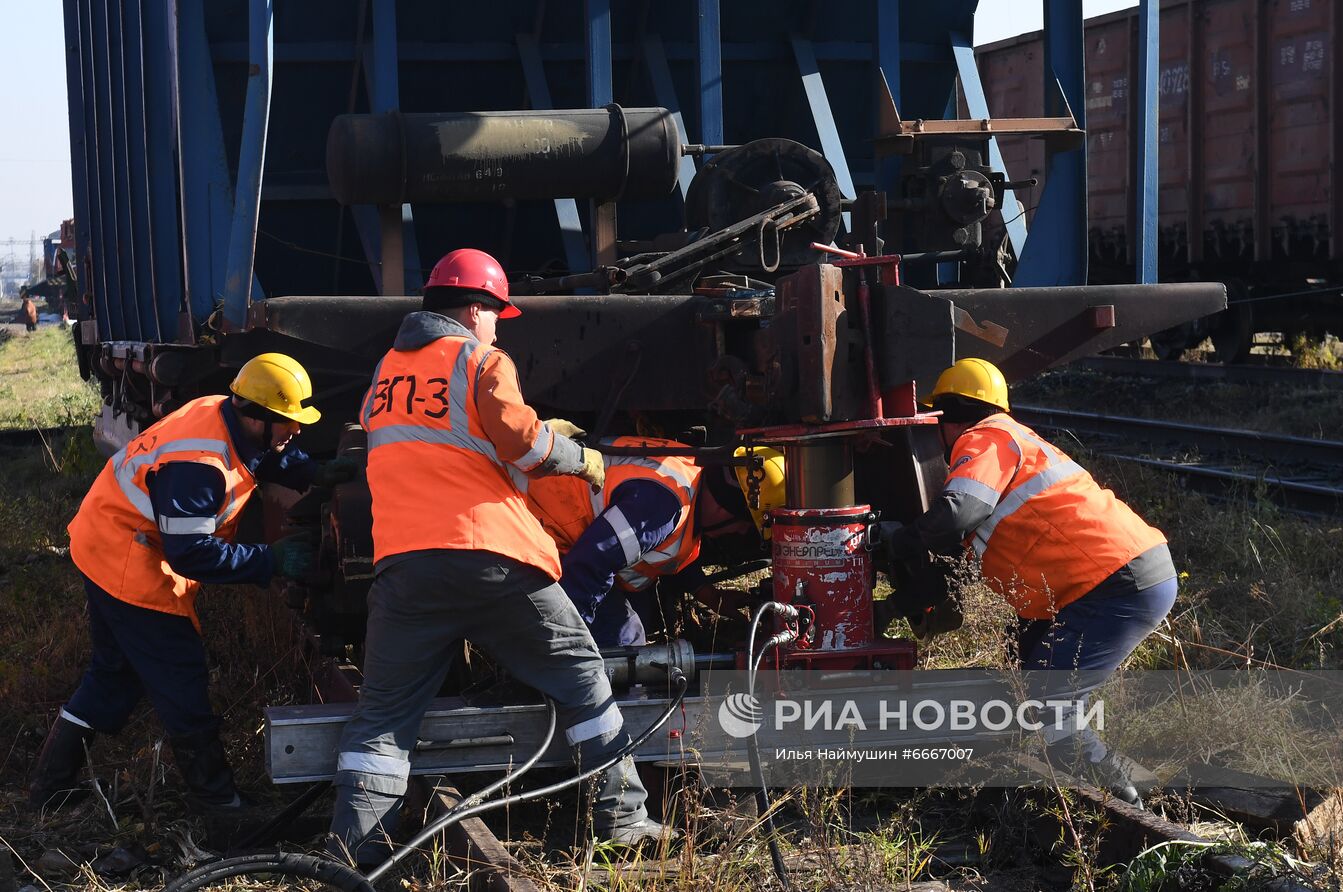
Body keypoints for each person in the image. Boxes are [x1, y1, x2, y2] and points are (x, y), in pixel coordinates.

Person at [331, 248, 663, 866]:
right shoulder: (481, 359)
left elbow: (433, 449)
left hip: (403, 567)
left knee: (381, 721)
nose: (497, 325)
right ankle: (624, 818)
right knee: (583, 680)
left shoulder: (384, 372)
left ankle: (356, 855)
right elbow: (524, 445)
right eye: (495, 313)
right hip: (492, 555)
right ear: (477, 308)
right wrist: (578, 456)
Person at [30, 354, 353, 813]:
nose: (296, 430)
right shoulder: (197, 466)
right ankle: (221, 809)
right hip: (130, 562)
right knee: (181, 676)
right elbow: (192, 554)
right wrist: (271, 560)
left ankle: (49, 789)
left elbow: (261, 453)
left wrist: (309, 472)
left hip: (101, 540)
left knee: (113, 674)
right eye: (287, 422)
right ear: (257, 416)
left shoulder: (222, 410)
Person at [879, 358, 1177, 806]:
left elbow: (959, 510)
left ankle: (1123, 800)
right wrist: (891, 608)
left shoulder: (987, 438)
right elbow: (954, 567)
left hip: (1117, 584)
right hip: (1110, 581)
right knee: (1020, 658)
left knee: (1049, 698)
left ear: (948, 416)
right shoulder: (1010, 446)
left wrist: (903, 539)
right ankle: (1043, 768)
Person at [525, 440, 783, 647]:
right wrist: (567, 644)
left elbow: (662, 549)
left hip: (568, 537)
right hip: (540, 531)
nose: (740, 533)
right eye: (746, 526)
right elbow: (588, 565)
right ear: (728, 504)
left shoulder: (689, 477)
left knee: (641, 616)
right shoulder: (662, 507)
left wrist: (708, 594)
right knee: (625, 639)